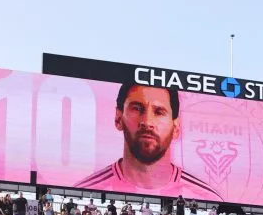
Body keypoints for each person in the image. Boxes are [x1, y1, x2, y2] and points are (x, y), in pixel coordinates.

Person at [74, 83, 222, 200]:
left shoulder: (208, 197)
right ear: (118, 118)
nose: (147, 122)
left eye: (159, 112)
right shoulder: (84, 190)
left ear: (176, 126)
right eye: (137, 109)